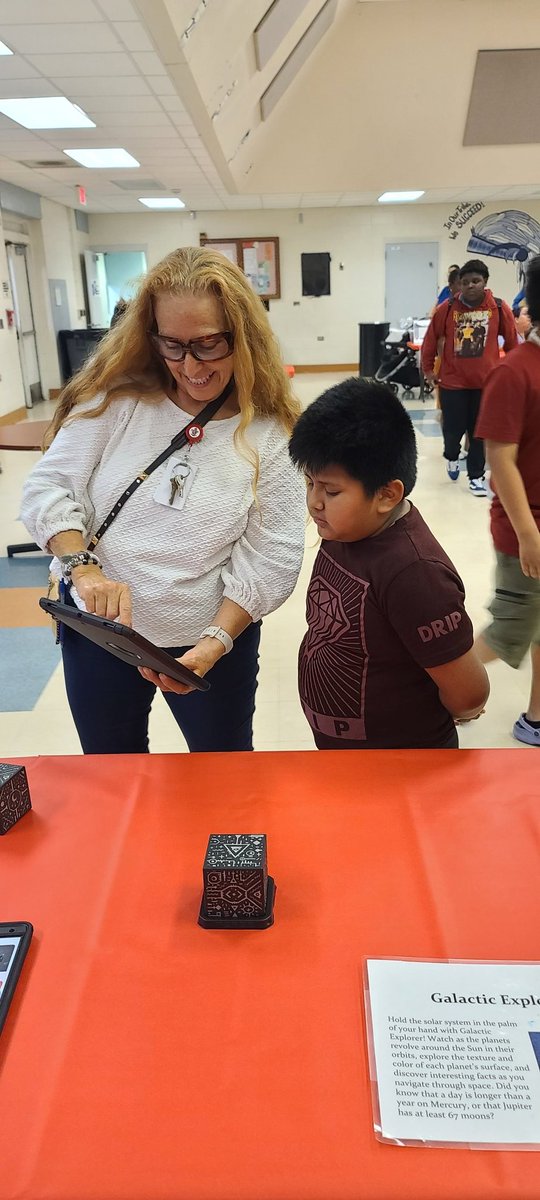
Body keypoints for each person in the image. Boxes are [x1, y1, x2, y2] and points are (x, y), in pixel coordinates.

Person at [21, 246, 306, 755]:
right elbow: (49, 487)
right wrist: (83, 569)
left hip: (211, 642)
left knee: (222, 772)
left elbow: (271, 558)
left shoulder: (270, 434)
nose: (189, 366)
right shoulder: (118, 401)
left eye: (208, 345)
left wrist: (215, 643)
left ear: (242, 336)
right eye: (172, 345)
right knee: (112, 773)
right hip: (101, 633)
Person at [288, 377, 489, 751]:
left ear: (386, 495)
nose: (314, 501)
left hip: (404, 764)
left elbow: (470, 694)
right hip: (348, 756)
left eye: (331, 491)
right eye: (310, 483)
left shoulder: (414, 574)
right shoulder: (344, 529)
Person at [474, 254, 540, 747]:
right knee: (510, 631)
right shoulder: (514, 372)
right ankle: (425, 687)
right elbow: (500, 458)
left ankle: (536, 716)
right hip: (526, 528)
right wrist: (528, 535)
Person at [421, 259, 517, 496]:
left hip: (486, 384)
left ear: (485, 282)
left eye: (476, 281)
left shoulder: (497, 307)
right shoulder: (447, 309)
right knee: (453, 430)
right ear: (459, 285)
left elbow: (512, 342)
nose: (470, 286)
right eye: (465, 282)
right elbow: (430, 340)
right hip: (452, 383)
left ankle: (476, 476)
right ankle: (452, 455)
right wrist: (428, 370)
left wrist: (513, 373)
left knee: (479, 433)